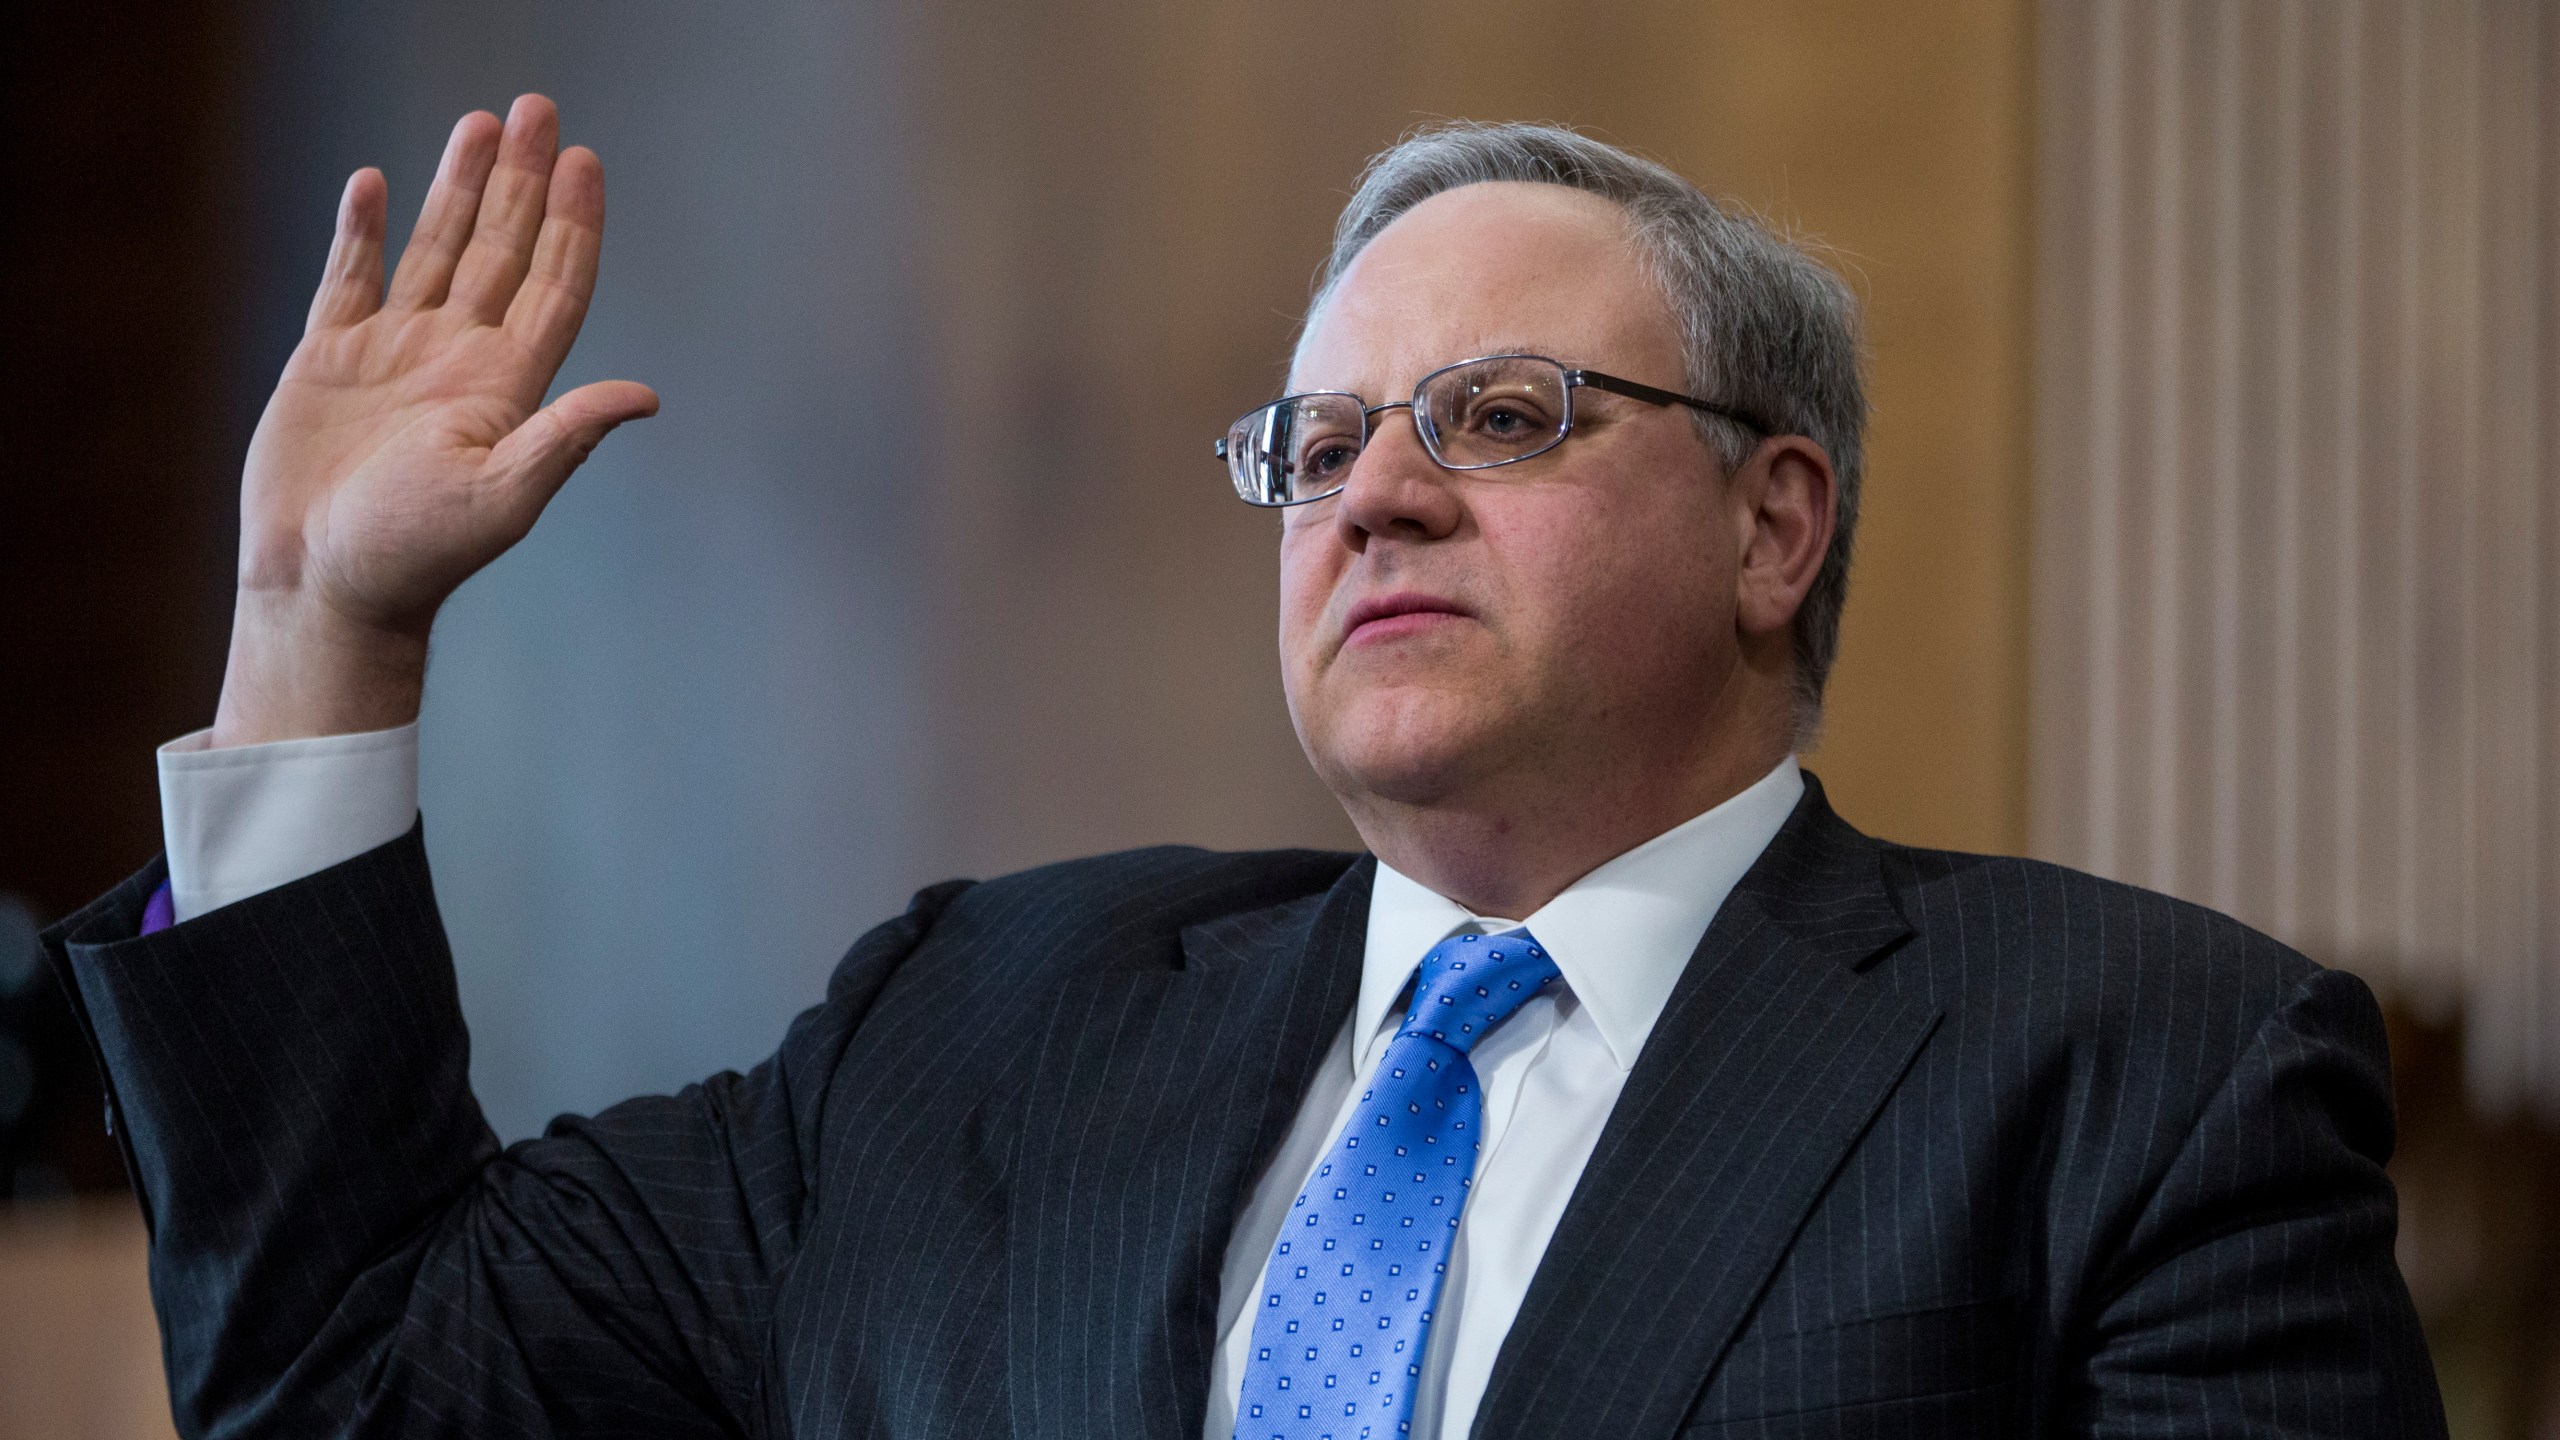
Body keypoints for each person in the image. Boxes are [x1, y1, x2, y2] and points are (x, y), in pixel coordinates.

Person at [42, 95, 2444, 1439]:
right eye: (1310, 450)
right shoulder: (978, 1021)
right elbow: (356, 1392)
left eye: (1498, 421)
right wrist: (313, 628)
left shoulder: (2139, 1069)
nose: (1373, 494)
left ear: (1770, 518)